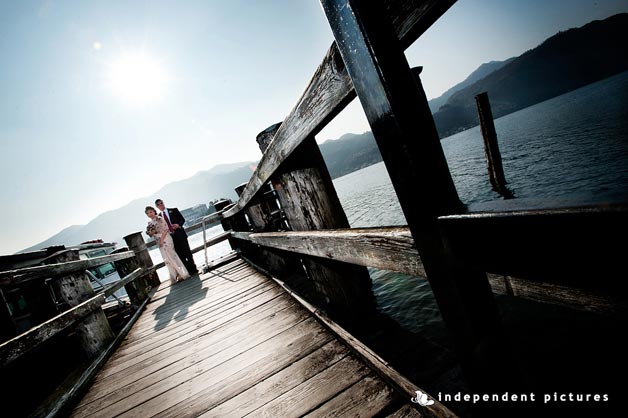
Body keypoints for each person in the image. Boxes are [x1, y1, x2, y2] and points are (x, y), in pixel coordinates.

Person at [145, 206, 190, 284]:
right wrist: (151, 233)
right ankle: (175, 275)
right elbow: (151, 234)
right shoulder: (150, 223)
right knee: (167, 259)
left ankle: (181, 273)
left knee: (172, 256)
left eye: (151, 212)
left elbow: (166, 230)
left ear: (154, 211)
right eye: (148, 213)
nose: (150, 214)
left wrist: (161, 240)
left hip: (165, 239)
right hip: (158, 240)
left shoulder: (159, 218)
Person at [155, 198, 198, 275]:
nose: (160, 205)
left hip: (180, 235)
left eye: (161, 203)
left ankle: (194, 269)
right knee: (180, 255)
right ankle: (188, 271)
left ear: (164, 203)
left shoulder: (174, 210)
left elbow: (182, 220)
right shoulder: (158, 217)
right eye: (158, 204)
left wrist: (178, 225)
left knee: (187, 252)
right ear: (157, 207)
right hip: (171, 238)